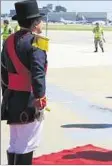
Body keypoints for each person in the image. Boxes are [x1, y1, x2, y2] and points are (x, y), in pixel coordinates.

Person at [1, 0, 48, 164]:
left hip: (12, 97)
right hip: (30, 99)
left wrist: (6, 96)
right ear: (35, 23)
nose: (41, 23)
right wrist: (40, 97)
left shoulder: (7, 41)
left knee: (14, 142)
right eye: (40, 20)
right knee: (28, 144)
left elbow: (3, 73)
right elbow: (38, 73)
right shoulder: (37, 42)